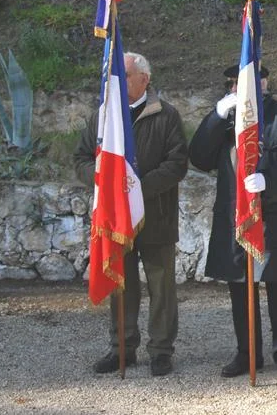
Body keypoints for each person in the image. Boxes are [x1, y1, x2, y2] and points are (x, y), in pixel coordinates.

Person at [189, 64, 277, 380]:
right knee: (239, 287)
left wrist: (269, 179)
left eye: (244, 82)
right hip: (235, 215)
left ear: (263, 83)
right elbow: (200, 157)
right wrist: (217, 116)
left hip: (275, 215)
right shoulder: (226, 120)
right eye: (233, 84)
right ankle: (247, 353)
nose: (237, 88)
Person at [75, 52, 189, 377]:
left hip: (157, 216)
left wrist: (136, 189)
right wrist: (101, 178)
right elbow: (81, 159)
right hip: (115, 219)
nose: (118, 82)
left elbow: (177, 164)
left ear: (144, 79)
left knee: (161, 288)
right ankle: (121, 348)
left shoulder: (166, 115)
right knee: (120, 284)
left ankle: (161, 351)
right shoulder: (103, 117)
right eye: (116, 76)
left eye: (124, 75)